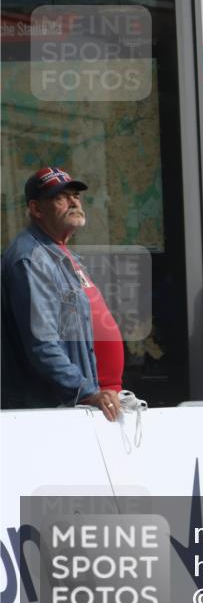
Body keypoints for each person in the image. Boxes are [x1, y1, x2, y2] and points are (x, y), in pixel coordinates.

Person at [1, 167, 123, 421]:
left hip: (82, 405)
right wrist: (86, 391)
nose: (73, 201)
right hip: (51, 414)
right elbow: (43, 345)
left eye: (75, 195)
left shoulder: (61, 255)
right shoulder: (30, 258)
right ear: (36, 209)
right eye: (60, 197)